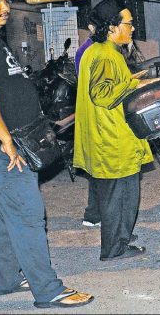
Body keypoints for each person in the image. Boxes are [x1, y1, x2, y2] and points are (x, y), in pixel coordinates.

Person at [0, 0, 94, 308]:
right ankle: (48, 290)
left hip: (13, 139)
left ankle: (5, 280)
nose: (5, 8)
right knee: (28, 213)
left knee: (5, 215)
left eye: (5, 2)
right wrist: (7, 141)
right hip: (0, 145)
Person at [74, 0, 157, 261]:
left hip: (104, 135)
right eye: (128, 24)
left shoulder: (96, 51)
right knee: (122, 196)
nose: (132, 28)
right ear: (111, 27)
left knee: (115, 196)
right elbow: (102, 94)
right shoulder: (106, 55)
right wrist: (134, 85)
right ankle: (114, 248)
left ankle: (119, 237)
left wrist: (129, 79)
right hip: (113, 138)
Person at [74, 22, 101, 229]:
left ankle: (94, 215)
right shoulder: (91, 50)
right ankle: (94, 215)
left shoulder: (88, 49)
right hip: (96, 116)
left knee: (98, 171)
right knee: (100, 171)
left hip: (92, 114)